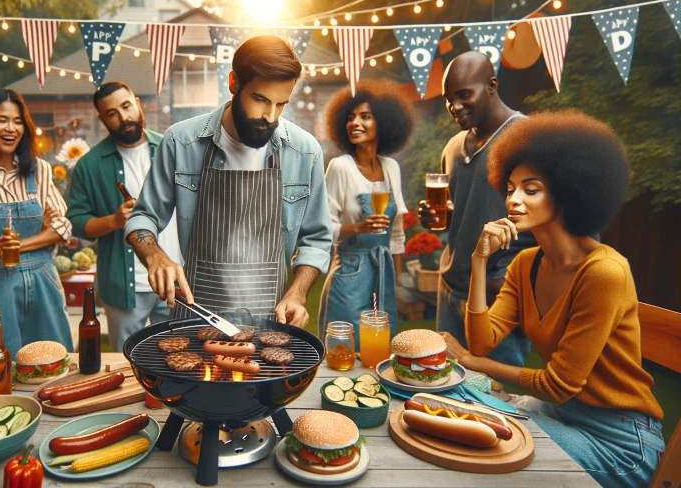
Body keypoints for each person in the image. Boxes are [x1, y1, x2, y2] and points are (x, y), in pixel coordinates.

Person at [441, 110, 664, 488]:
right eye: (510, 187)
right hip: (562, 414)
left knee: (491, 438)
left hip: (621, 440)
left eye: (531, 188)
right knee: (462, 404)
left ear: (567, 190)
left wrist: (468, 360)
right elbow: (483, 339)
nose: (513, 199)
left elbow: (557, 384)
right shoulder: (526, 264)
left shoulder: (604, 272)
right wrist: (479, 261)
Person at [123, 35, 332, 327]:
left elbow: (317, 240)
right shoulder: (181, 141)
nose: (269, 117)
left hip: (271, 318)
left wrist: (296, 295)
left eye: (280, 104)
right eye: (260, 99)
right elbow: (142, 218)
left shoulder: (304, 150)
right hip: (195, 314)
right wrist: (155, 256)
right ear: (233, 83)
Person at [419, 51, 533, 367]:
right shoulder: (453, 147)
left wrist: (507, 280)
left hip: (497, 297)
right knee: (443, 389)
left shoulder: (527, 140)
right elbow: (462, 217)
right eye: (448, 98)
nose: (454, 106)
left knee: (496, 400)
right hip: (450, 289)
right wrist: (436, 218)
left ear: (492, 86)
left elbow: (551, 224)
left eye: (464, 94)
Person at [66, 82, 183, 351]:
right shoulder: (89, 164)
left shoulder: (170, 148)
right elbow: (77, 223)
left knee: (179, 358)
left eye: (126, 106)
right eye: (112, 113)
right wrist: (114, 221)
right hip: (123, 286)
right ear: (102, 118)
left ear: (137, 104)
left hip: (175, 276)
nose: (123, 117)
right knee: (126, 360)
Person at [0, 88, 73, 356]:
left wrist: (7, 246)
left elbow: (62, 227)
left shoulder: (40, 171)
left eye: (17, 121)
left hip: (44, 280)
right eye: (2, 120)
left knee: (55, 361)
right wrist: (42, 235)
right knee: (5, 368)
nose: (11, 128)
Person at [319, 80, 414, 347]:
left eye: (365, 116)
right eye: (350, 118)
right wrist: (359, 228)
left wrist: (396, 280)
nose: (355, 123)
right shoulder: (340, 167)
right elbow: (325, 229)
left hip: (383, 272)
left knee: (381, 347)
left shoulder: (391, 167)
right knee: (345, 346)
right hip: (349, 271)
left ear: (383, 122)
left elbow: (396, 233)